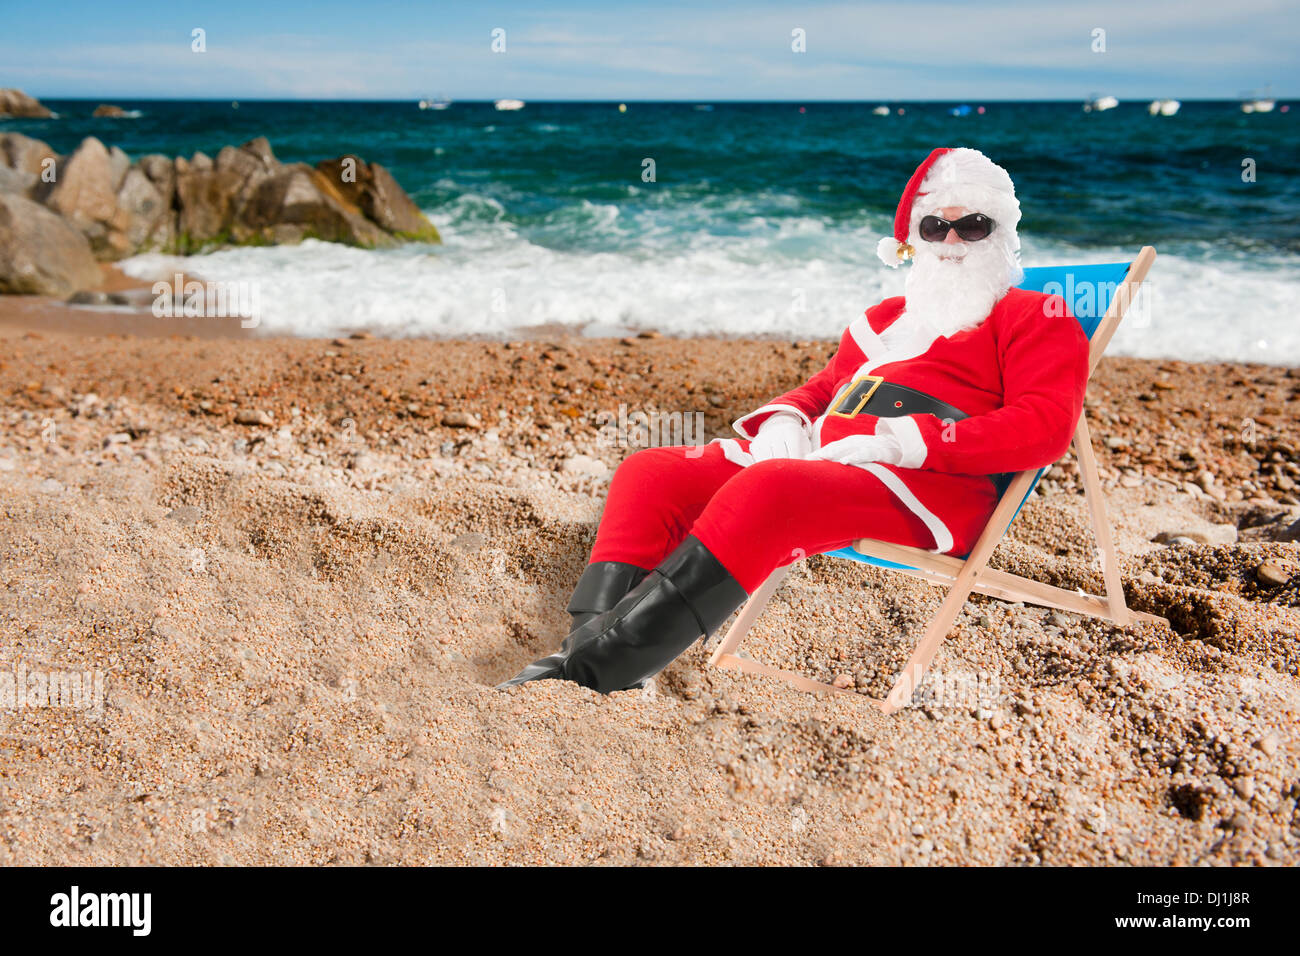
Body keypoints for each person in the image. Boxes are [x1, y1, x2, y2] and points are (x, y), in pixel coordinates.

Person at [498, 147, 1089, 694]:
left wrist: (903, 442)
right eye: (937, 226)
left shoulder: (1035, 314)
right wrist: (787, 418)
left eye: (973, 224)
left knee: (771, 491)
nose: (953, 240)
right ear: (916, 238)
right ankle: (587, 645)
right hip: (821, 459)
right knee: (651, 471)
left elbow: (1043, 427)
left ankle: (597, 670)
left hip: (927, 484)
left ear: (1001, 231)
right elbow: (828, 387)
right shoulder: (888, 318)